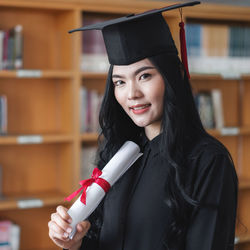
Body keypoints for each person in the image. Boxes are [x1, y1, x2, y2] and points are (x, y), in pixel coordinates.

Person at [48, 1, 238, 249]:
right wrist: (75, 243)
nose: (132, 94)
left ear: (171, 77)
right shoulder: (119, 154)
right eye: (120, 82)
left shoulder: (208, 161)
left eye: (144, 76)